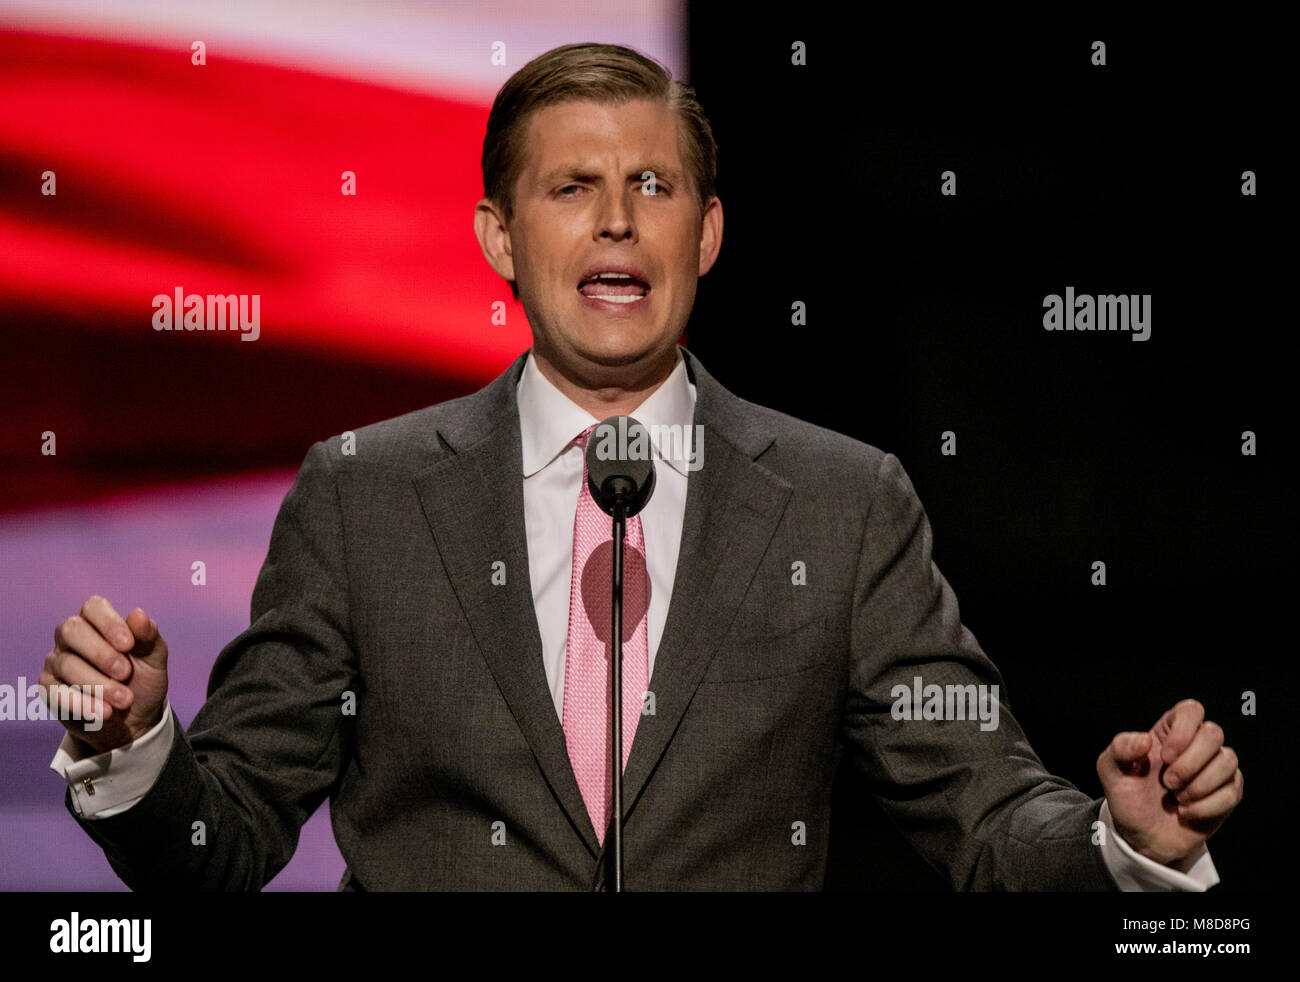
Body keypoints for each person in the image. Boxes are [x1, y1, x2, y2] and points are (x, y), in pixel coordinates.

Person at [41, 42, 1241, 891]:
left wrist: (1121, 842)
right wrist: (139, 746)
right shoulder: (362, 496)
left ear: (704, 234)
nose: (617, 219)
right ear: (500, 238)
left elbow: (987, 813)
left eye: (651, 187)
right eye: (572, 188)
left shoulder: (842, 499)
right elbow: (225, 843)